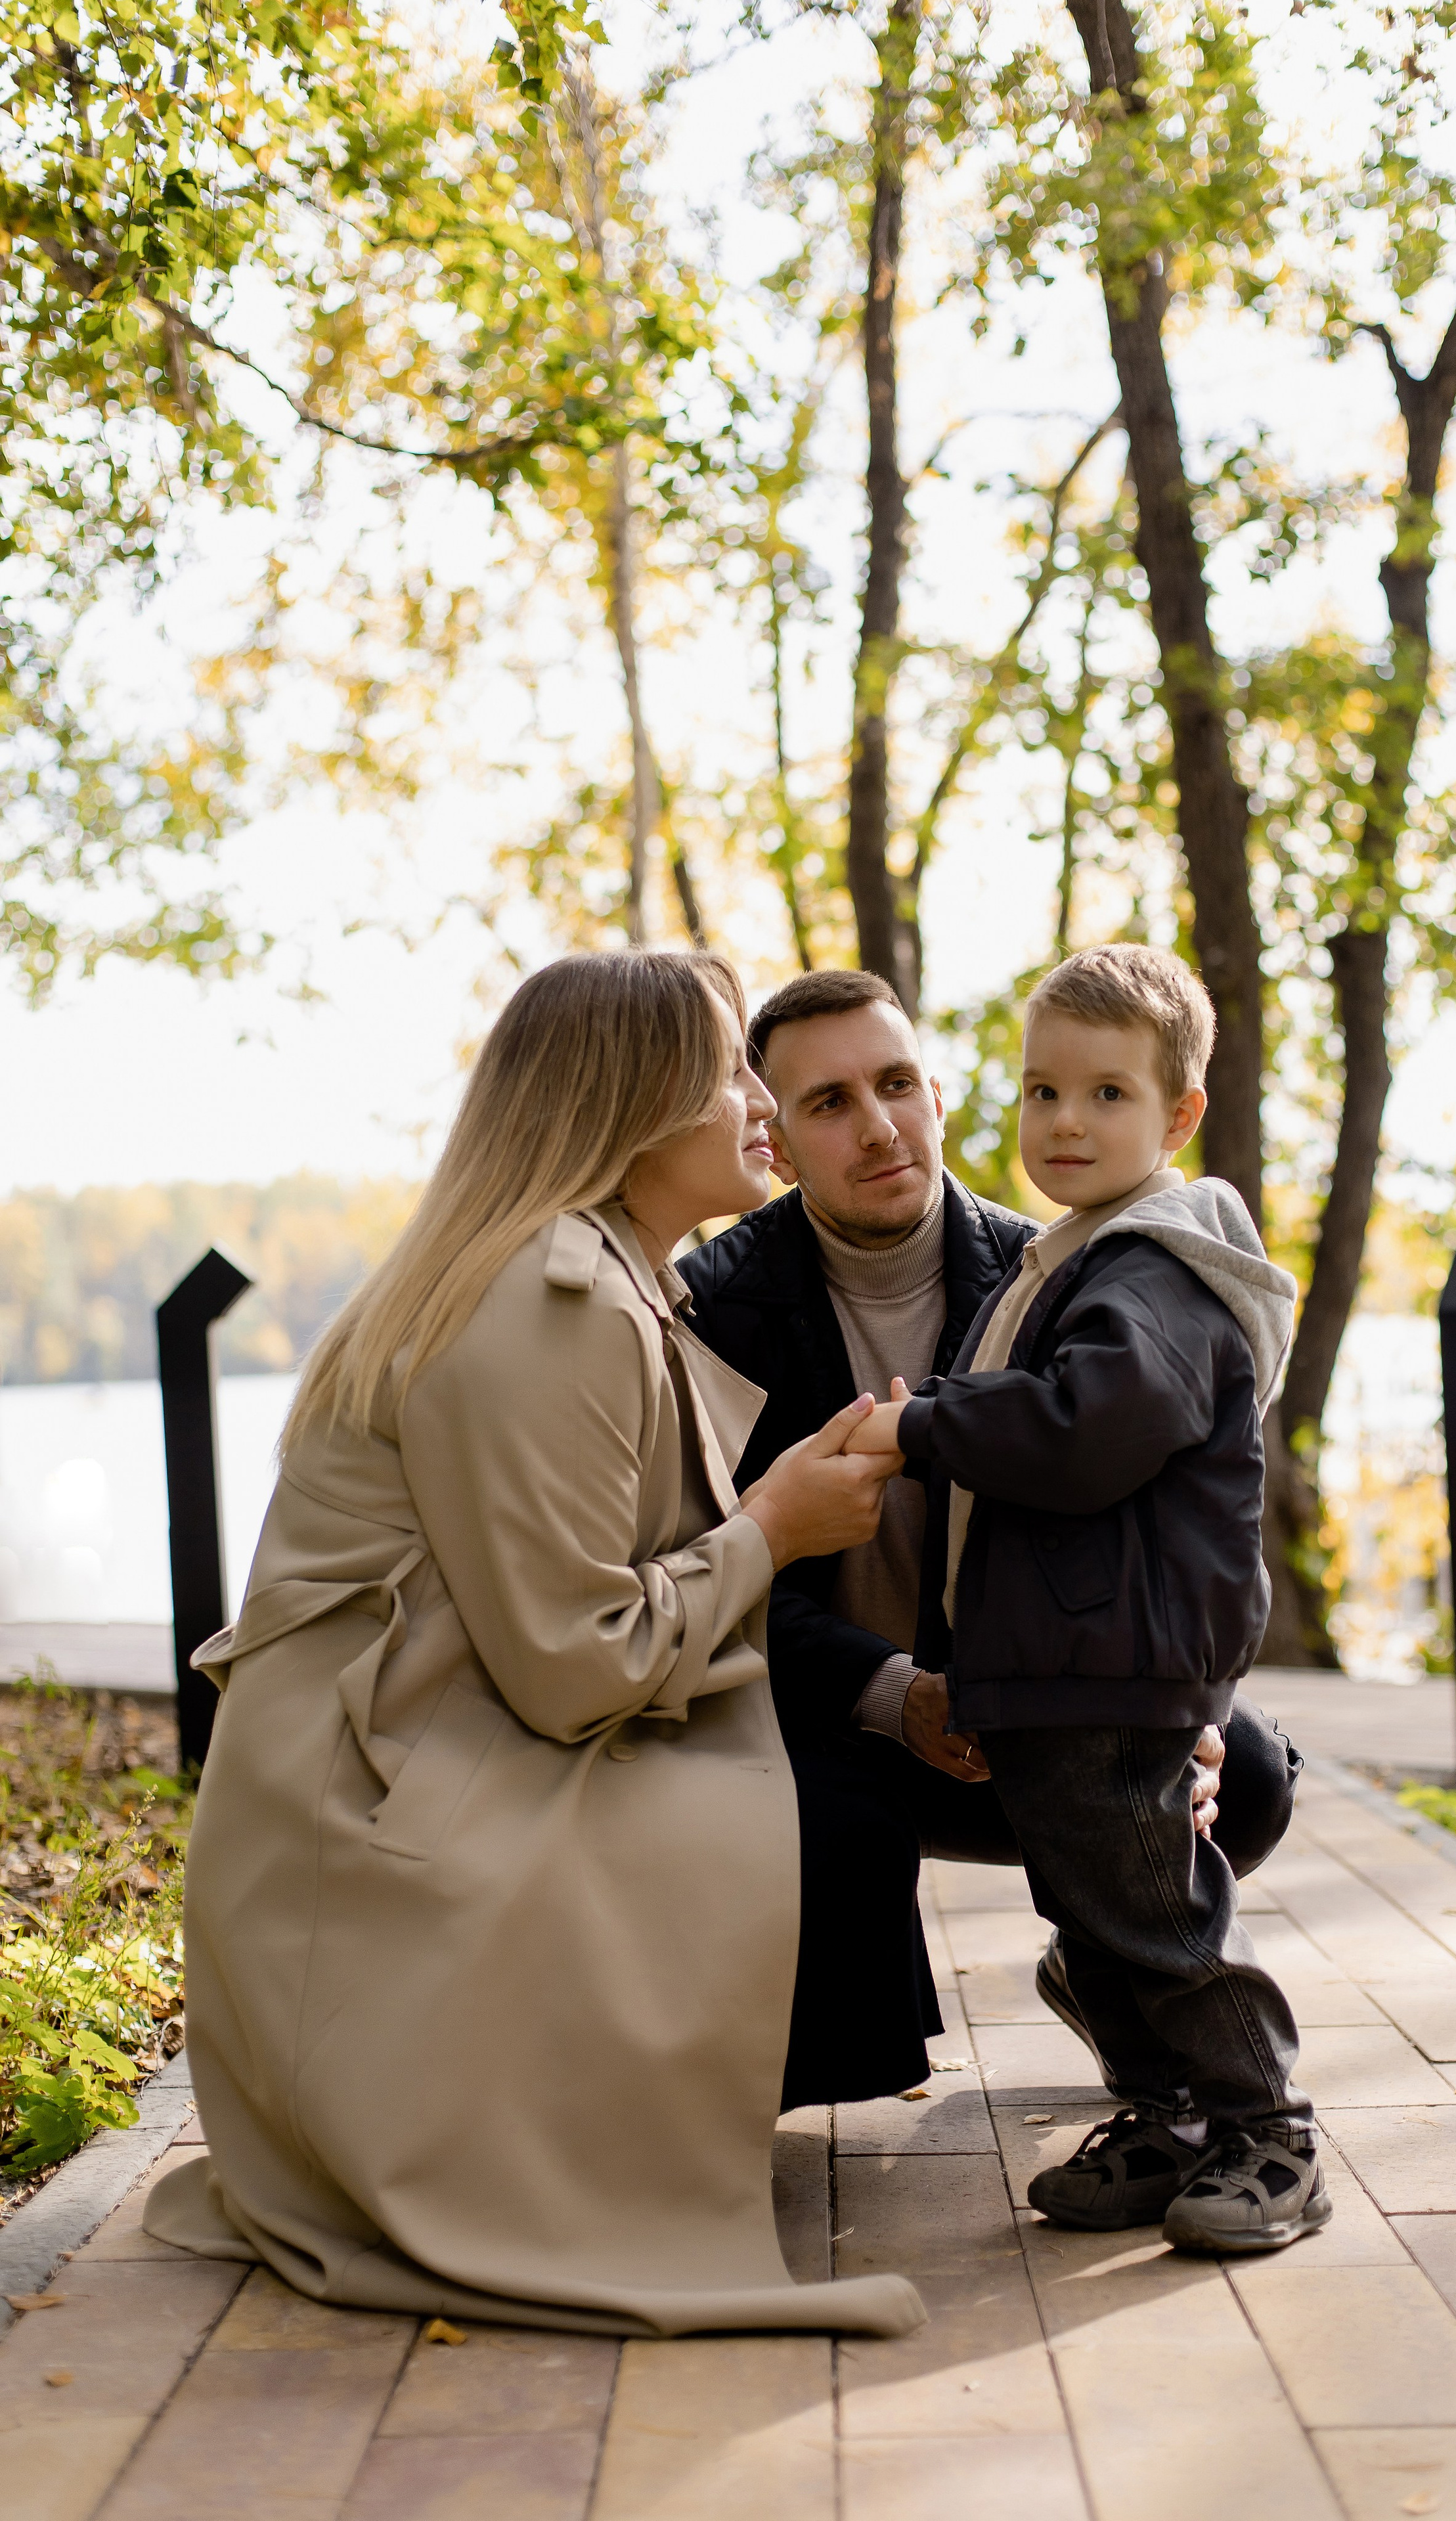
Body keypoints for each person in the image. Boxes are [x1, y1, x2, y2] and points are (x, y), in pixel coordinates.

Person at [144, 950, 923, 2340]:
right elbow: (574, 1669)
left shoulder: (579, 1271)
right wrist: (775, 1525)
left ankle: (681, 2105)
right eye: (726, 1071)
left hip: (396, 1767)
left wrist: (768, 1513)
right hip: (390, 1820)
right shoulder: (543, 1300)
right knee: (819, 1812)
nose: (758, 1101)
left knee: (823, 1779)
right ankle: (594, 2137)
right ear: (629, 1103)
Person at [679, 968, 1302, 2113]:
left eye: (898, 1083)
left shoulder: (1066, 1268)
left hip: (1029, 1690)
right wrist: (888, 1692)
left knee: (1246, 1778)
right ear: (774, 1134)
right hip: (821, 1712)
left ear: (937, 1091)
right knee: (844, 1819)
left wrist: (1193, 1705)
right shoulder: (708, 1308)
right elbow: (702, 1564)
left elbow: (1176, 1512)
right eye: (827, 1105)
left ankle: (1118, 1968)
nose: (878, 1128)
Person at [845, 944, 1329, 2254]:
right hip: (1062, 1667)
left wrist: (922, 1423)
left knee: (1155, 1914)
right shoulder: (1078, 1259)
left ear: (1177, 1117)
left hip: (1117, 1664)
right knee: (1090, 1908)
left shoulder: (1156, 1275)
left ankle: (1264, 2127)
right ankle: (1167, 2117)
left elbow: (1084, 1430)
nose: (1064, 1122)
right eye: (1040, 1091)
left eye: (1105, 1095)